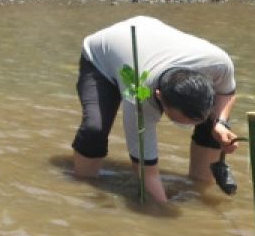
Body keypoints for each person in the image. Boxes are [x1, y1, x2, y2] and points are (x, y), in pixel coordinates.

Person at [71, 15, 239, 203]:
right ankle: (83, 183)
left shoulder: (218, 63)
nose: (192, 125)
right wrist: (162, 209)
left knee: (212, 128)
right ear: (159, 96)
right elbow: (146, 171)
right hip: (102, 57)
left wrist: (220, 123)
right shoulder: (140, 100)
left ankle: (199, 186)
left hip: (150, 37)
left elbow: (227, 93)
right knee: (95, 128)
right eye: (184, 121)